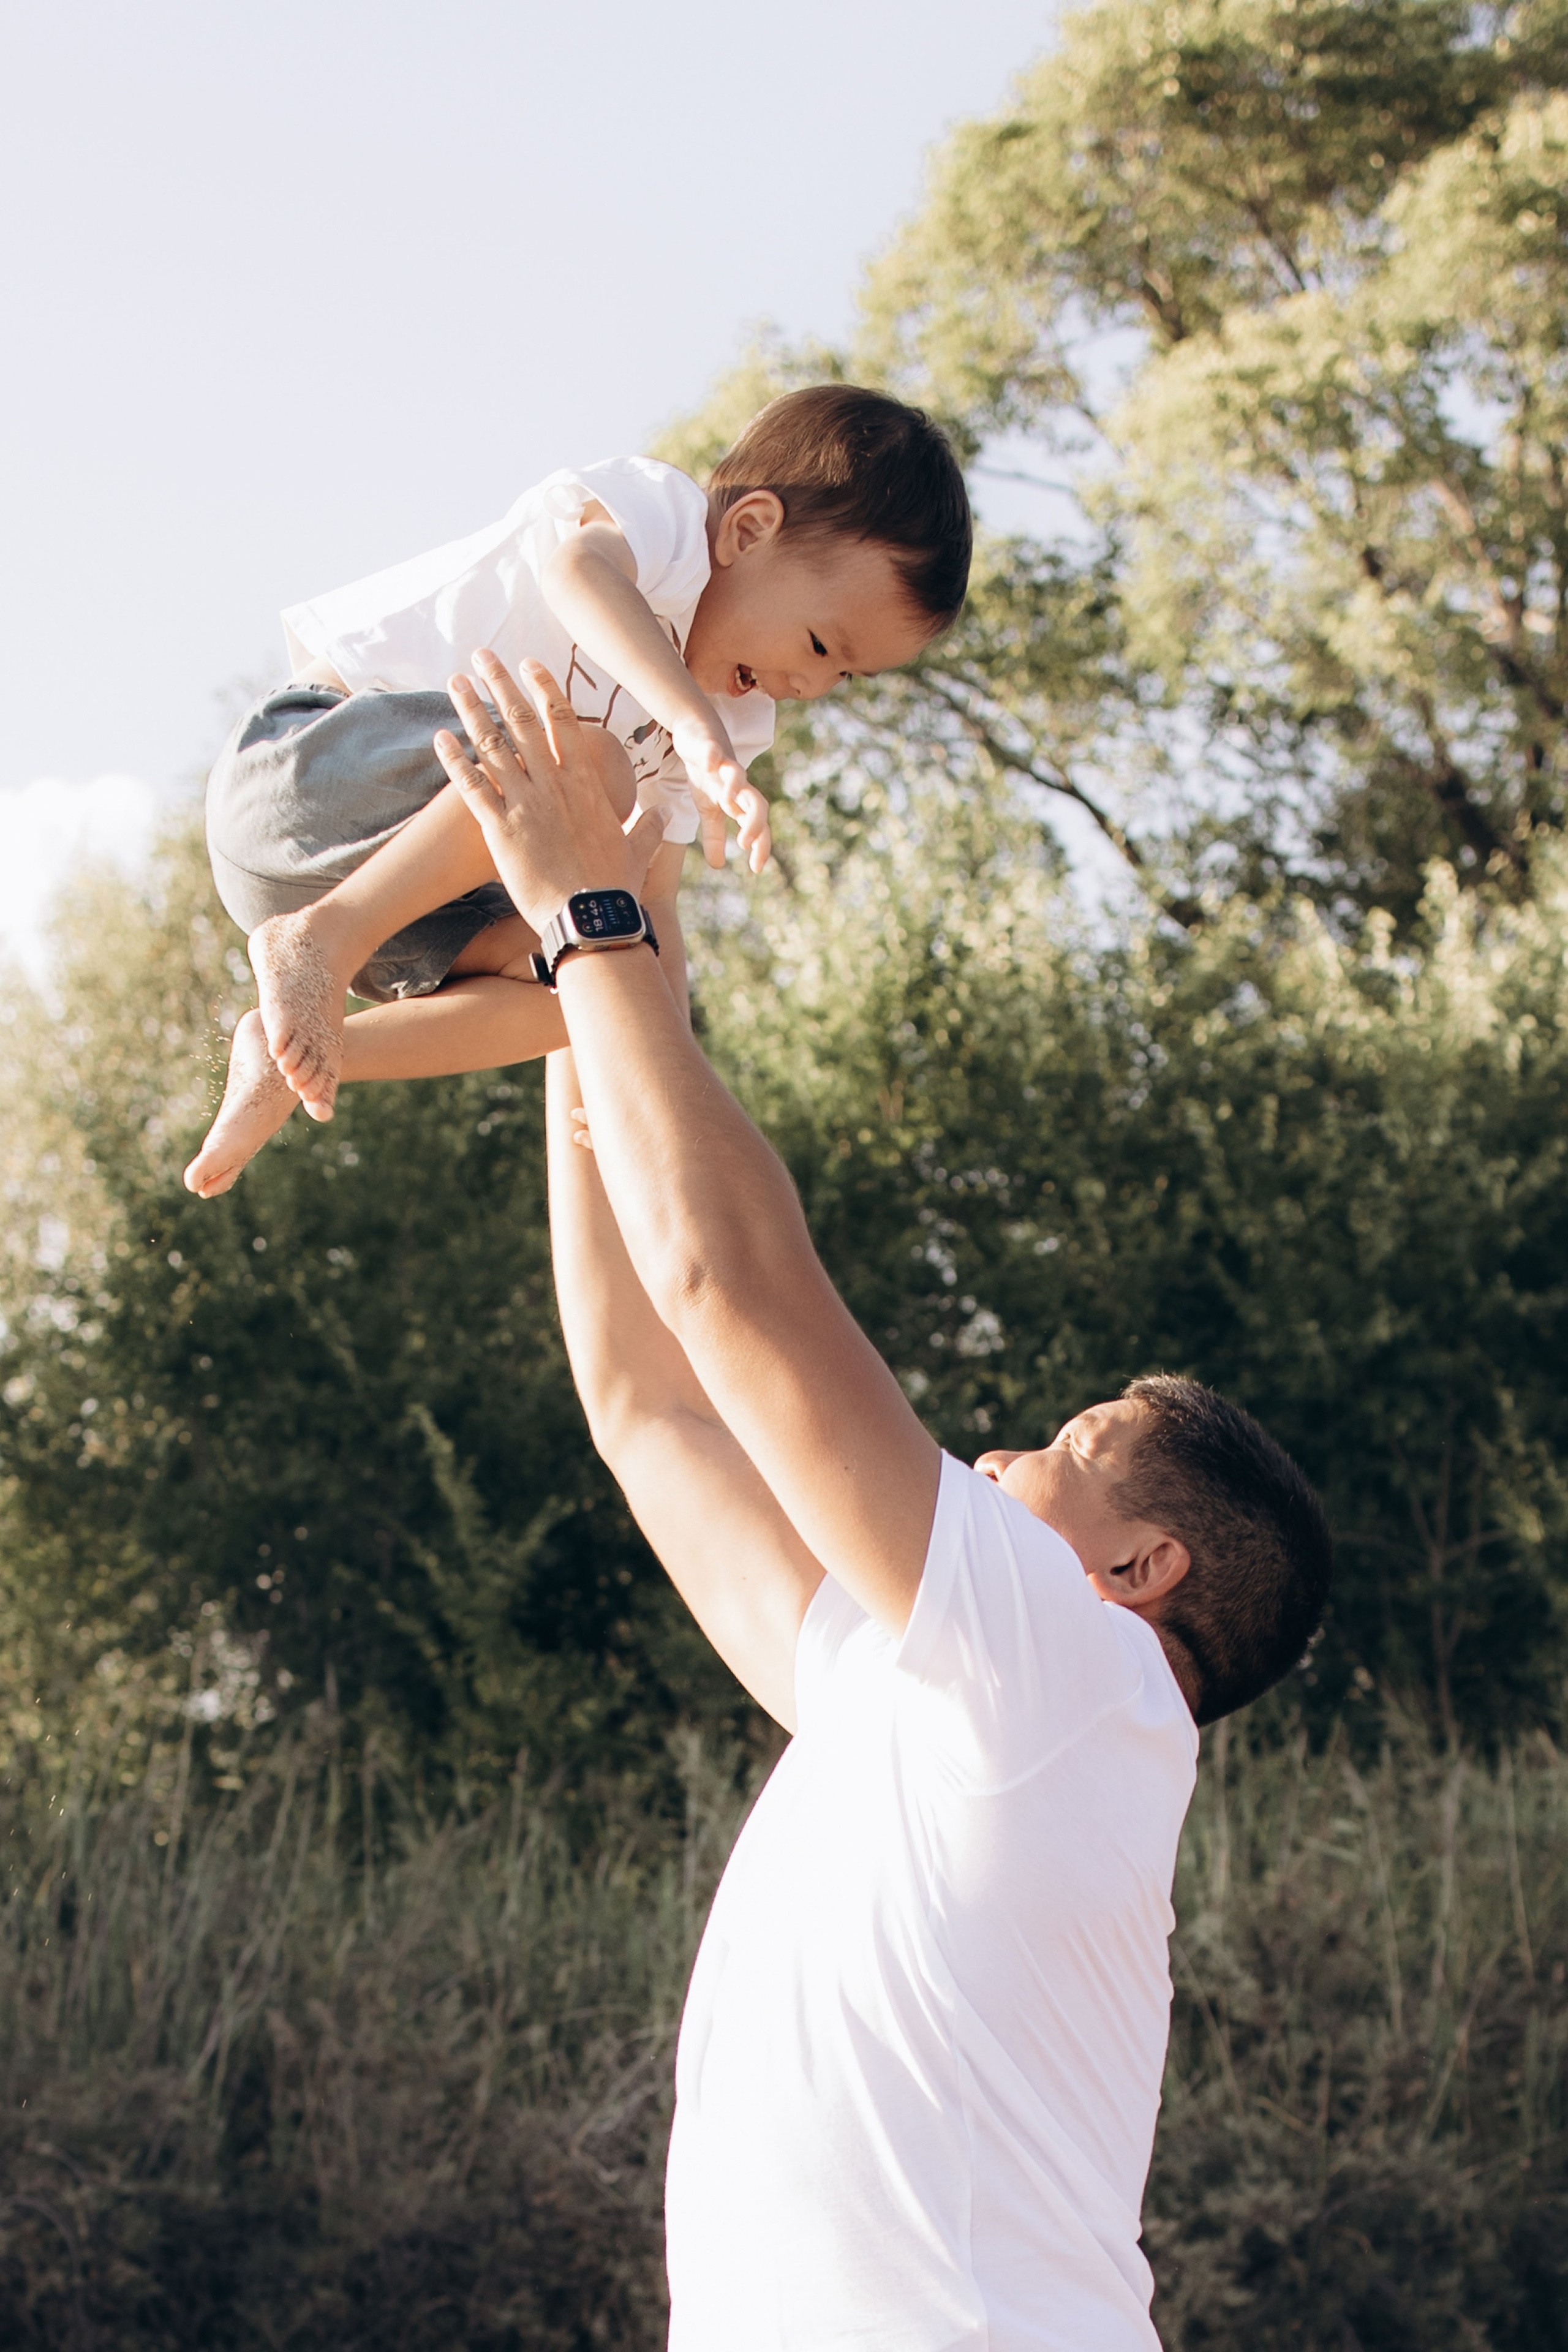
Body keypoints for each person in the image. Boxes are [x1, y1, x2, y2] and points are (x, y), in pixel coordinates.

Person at [432, 651, 1335, 2350]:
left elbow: (729, 1291)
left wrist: (592, 918)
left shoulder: (1080, 1682)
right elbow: (648, 1404)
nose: (995, 1461)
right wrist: (604, 988)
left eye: (1058, 1451)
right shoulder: (935, 1704)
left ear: (1140, 1568)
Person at [183, 385, 971, 1199]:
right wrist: (691, 723)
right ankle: (319, 941)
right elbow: (576, 572)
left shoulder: (734, 722)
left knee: (589, 972)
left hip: (397, 915)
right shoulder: (665, 526)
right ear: (749, 530)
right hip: (307, 778)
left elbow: (644, 901)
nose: (811, 683)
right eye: (818, 643)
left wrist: (648, 1070)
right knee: (591, 766)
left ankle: (305, 1052)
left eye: (844, 674)